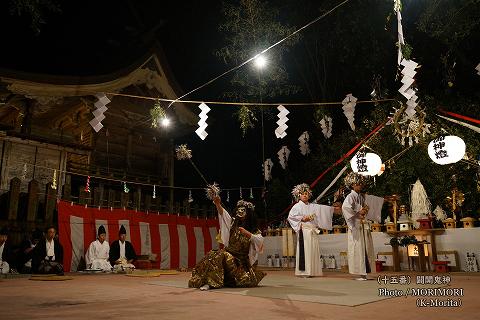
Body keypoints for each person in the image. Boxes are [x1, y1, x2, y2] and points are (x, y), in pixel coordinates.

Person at [188, 196, 265, 290]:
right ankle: (208, 281)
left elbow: (260, 242)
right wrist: (217, 204)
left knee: (222, 255)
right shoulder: (232, 225)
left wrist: (248, 234)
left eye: (243, 210)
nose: (240, 212)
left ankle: (212, 283)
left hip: (239, 263)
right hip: (228, 254)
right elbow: (224, 215)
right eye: (238, 210)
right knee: (214, 254)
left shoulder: (254, 231)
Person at [287, 183, 342, 277]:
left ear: (309, 195)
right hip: (304, 231)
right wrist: (302, 218)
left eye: (307, 193)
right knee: (305, 250)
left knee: (313, 250)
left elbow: (323, 209)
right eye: (302, 193)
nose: (305, 195)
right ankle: (304, 271)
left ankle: (313, 271)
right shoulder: (296, 206)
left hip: (312, 231)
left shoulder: (313, 206)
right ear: (298, 195)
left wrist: (333, 209)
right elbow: (290, 217)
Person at [341, 172, 384, 280]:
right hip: (356, 225)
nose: (360, 185)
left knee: (366, 248)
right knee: (358, 248)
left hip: (362, 224)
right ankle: (360, 272)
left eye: (361, 183)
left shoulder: (361, 196)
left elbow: (366, 208)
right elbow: (345, 208)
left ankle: (365, 272)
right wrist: (358, 213)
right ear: (352, 184)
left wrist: (365, 210)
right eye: (358, 183)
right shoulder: (350, 196)